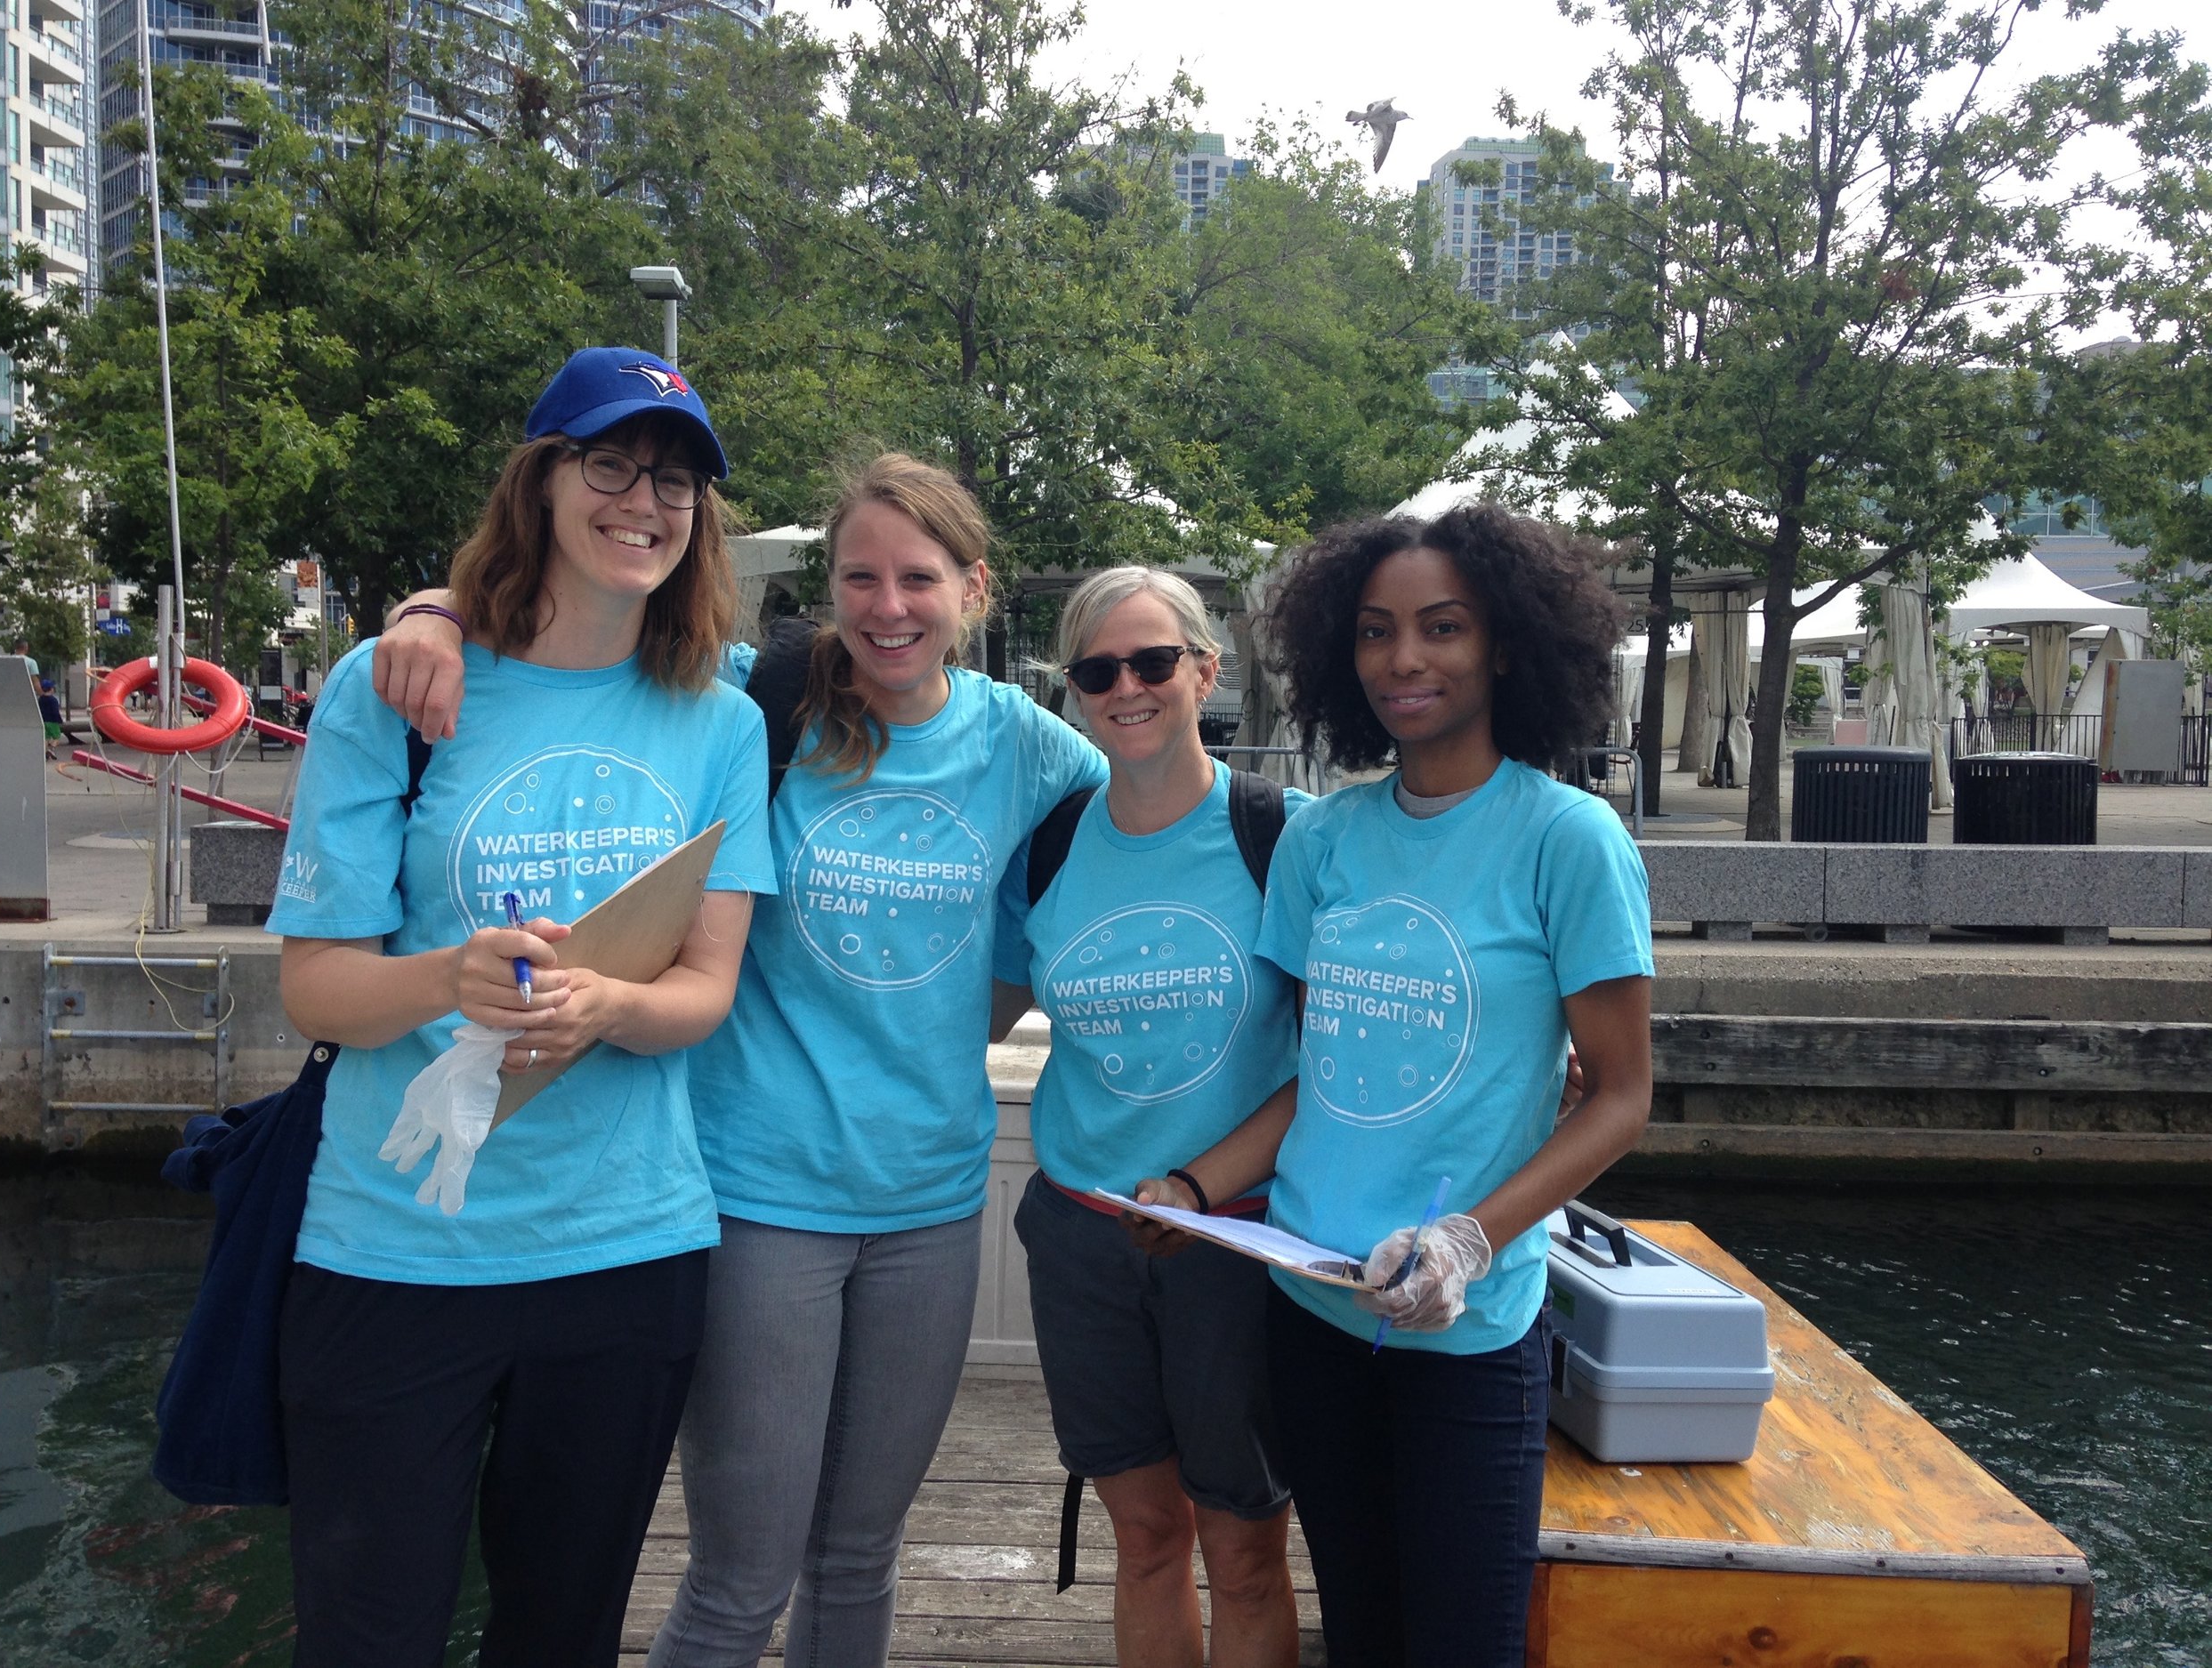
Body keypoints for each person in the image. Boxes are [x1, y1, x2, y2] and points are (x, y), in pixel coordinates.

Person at [371, 452, 1108, 1668]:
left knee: (862, 1551)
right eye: (859, 576)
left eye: (918, 577)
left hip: (931, 1196)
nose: (887, 606)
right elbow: (578, 636)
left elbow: (1157, 807)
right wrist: (438, 607)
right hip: (763, 1192)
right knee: (740, 1573)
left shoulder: (1023, 743)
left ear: (973, 589)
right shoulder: (758, 697)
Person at [266, 346, 776, 1668]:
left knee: (560, 1638)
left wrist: (607, 999)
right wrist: (449, 976)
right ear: (542, 479)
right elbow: (314, 985)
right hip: (396, 1250)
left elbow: (705, 991)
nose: (642, 501)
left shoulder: (720, 717)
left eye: (674, 480)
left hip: (627, 1249)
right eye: (608, 463)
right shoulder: (397, 683)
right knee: (365, 1637)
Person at [1143, 504, 1654, 1668]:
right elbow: (1317, 1078)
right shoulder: (1326, 841)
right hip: (1315, 1307)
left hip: (1468, 1332)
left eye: (1441, 627)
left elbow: (1621, 1094)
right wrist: (1191, 1184)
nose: (1404, 659)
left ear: (1508, 644)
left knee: (1464, 1641)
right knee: (1362, 1633)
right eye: (1375, 632)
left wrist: (1471, 1239)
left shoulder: (1568, 840)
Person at [989, 567, 1304, 1668]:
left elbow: (1338, 1063)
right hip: (1082, 1234)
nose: (1127, 685)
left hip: (1236, 1239)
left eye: (1154, 660)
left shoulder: (1284, 837)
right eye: (1097, 669)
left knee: (1245, 1550)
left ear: (1206, 670)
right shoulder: (1053, 843)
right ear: (1074, 691)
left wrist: (1201, 1185)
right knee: (1145, 1536)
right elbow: (960, 1010)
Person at [38, 676, 62, 760]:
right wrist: (59, 720)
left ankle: (45, 753)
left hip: (43, 721)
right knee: (57, 737)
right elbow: (55, 712)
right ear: (51, 689)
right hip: (52, 721)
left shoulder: (40, 699)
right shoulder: (54, 700)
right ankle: (51, 749)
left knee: (46, 738)